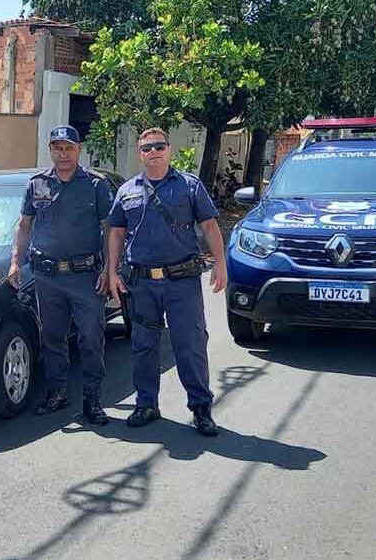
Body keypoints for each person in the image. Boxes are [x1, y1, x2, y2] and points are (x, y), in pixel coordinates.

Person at [107, 127, 227, 437]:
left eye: (159, 146)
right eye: (147, 148)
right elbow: (116, 233)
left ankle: (201, 408)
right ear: (140, 154)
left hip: (181, 283)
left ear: (169, 149)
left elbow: (210, 226)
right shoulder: (127, 191)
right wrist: (111, 272)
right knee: (143, 347)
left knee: (190, 345)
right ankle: (146, 404)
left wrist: (221, 264)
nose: (153, 151)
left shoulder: (188, 186)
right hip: (141, 284)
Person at [8, 125, 113, 425]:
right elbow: (25, 225)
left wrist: (109, 268)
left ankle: (92, 400)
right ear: (50, 150)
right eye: (58, 148)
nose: (63, 154)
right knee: (53, 337)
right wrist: (16, 261)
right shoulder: (37, 184)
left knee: (91, 338)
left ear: (79, 150)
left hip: (86, 277)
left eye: (69, 148)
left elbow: (110, 229)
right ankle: (57, 393)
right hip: (48, 277)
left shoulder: (95, 185)